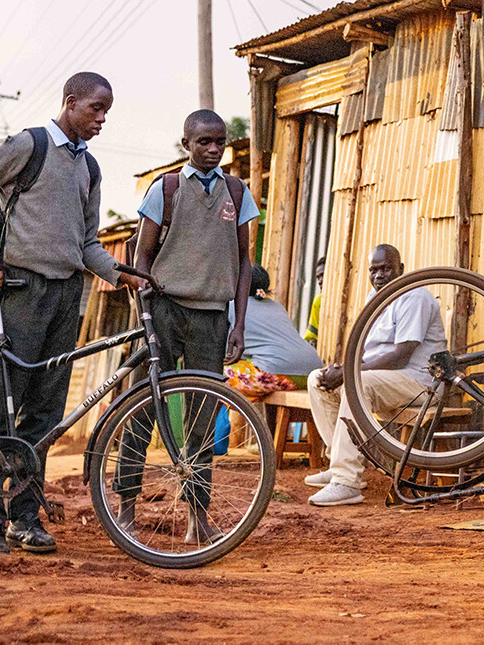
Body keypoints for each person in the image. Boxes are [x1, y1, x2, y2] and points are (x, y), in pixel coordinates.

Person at [0, 71, 145, 555]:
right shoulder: (28, 146)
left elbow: (87, 244)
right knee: (3, 409)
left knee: (46, 411)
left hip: (66, 296)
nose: (102, 120)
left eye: (107, 113)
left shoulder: (88, 168)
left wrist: (123, 274)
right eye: (96, 109)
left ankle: (24, 519)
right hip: (19, 290)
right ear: (71, 102)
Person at [117, 109, 258, 544]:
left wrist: (238, 323)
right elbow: (141, 255)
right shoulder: (167, 188)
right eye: (204, 143)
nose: (213, 149)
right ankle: (125, 508)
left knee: (201, 417)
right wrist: (143, 305)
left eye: (219, 142)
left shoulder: (237, 191)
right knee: (142, 405)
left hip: (213, 317)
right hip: (164, 309)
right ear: (187, 145)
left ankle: (198, 515)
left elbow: (244, 262)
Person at [304, 244, 445, 507]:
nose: (379, 275)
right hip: (388, 380)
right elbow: (364, 348)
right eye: (374, 269)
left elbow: (401, 354)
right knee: (317, 380)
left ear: (401, 269)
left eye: (386, 268)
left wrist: (349, 373)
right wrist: (339, 369)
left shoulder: (414, 296)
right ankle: (341, 464)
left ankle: (347, 481)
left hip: (419, 381)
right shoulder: (376, 297)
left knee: (357, 384)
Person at [225, 264, 324, 400]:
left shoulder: (233, 307)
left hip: (278, 373)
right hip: (313, 372)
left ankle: (207, 421)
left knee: (215, 376)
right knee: (260, 366)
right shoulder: (277, 307)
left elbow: (227, 352)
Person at [302, 257, 325, 346]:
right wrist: (311, 341)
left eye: (323, 275)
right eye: (318, 277)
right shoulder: (318, 301)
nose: (320, 281)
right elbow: (311, 334)